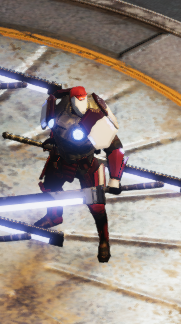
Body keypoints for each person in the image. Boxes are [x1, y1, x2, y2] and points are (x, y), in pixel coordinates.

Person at [35, 86, 127, 262]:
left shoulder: (97, 116)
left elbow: (115, 147)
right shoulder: (59, 108)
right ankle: (54, 216)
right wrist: (53, 141)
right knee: (50, 189)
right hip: (61, 158)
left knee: (96, 206)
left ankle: (104, 240)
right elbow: (55, 130)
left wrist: (115, 179)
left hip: (87, 163)